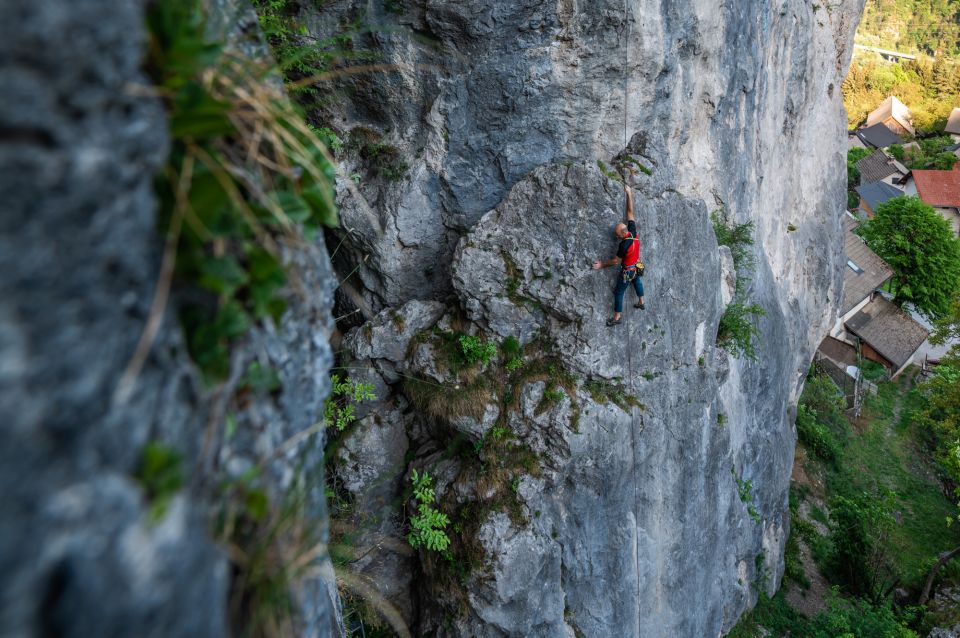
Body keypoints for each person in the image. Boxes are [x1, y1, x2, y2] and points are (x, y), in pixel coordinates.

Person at [592, 182, 645, 326]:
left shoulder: (623, 245)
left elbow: (615, 261)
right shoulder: (633, 231)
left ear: (621, 236)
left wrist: (602, 264)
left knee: (619, 292)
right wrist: (629, 193)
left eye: (616, 235)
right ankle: (641, 301)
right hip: (638, 264)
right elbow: (630, 212)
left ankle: (617, 318)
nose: (616, 237)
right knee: (637, 281)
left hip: (628, 270)